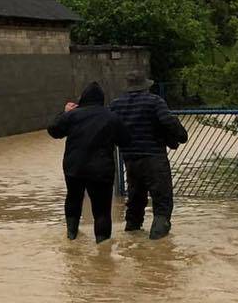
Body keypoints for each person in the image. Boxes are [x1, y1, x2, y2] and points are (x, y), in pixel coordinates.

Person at [109, 71, 189, 240]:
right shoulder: (154, 101)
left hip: (130, 160)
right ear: (145, 86)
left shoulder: (116, 104)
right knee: (162, 202)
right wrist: (180, 136)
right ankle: (158, 248)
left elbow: (111, 129)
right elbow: (168, 121)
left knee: (135, 201)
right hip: (154, 159)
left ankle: (133, 241)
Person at [48, 82, 122, 242]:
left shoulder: (72, 115)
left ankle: (71, 235)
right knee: (102, 209)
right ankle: (102, 247)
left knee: (73, 199)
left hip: (74, 168)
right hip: (101, 170)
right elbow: (125, 140)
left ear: (83, 99)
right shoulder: (111, 116)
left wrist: (64, 113)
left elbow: (53, 131)